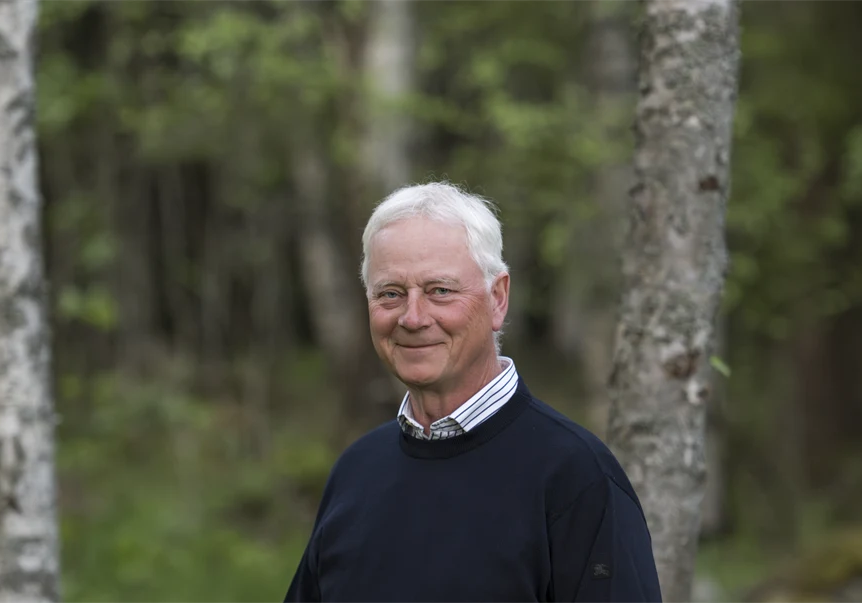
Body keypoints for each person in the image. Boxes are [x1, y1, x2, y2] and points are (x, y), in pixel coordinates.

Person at [283, 182, 662, 603]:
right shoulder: (356, 471)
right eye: (390, 294)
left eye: (439, 291)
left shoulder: (576, 478)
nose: (412, 317)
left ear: (497, 298)